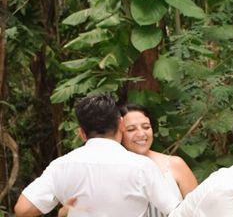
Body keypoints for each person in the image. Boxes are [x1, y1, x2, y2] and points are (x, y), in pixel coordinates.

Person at [14, 93, 181, 217]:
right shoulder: (142, 167)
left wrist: (65, 212)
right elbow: (177, 211)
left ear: (82, 133)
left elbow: (22, 209)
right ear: (121, 124)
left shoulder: (61, 166)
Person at [120, 103, 198, 216]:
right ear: (118, 133)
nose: (141, 134)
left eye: (146, 127)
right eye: (131, 129)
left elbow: (198, 210)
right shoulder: (112, 168)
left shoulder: (175, 164)